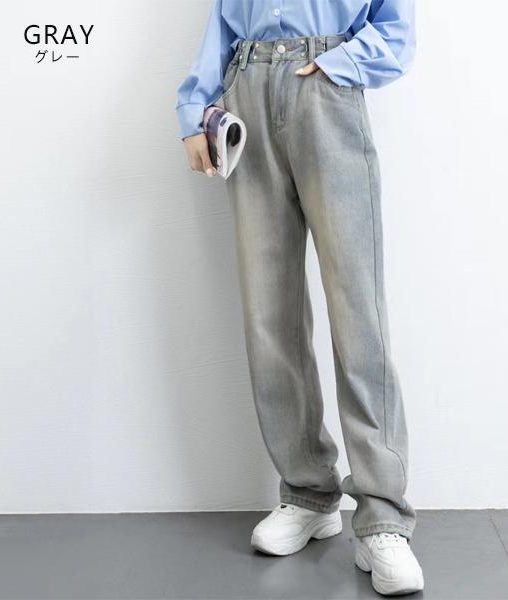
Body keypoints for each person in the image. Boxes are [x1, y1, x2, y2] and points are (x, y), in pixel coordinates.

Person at [176, 0, 423, 595]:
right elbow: (223, 23)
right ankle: (308, 492)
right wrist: (193, 108)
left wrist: (338, 63)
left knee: (358, 312)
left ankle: (383, 517)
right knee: (269, 314)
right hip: (246, 96)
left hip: (327, 92)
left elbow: (395, 28)